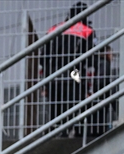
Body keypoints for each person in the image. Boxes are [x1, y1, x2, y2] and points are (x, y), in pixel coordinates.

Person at [41, 4, 98, 137]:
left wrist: (48, 73)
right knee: (74, 102)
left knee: (55, 107)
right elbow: (89, 58)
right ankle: (70, 130)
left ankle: (56, 132)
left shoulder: (54, 29)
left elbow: (43, 57)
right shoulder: (86, 31)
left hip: (53, 74)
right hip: (74, 73)